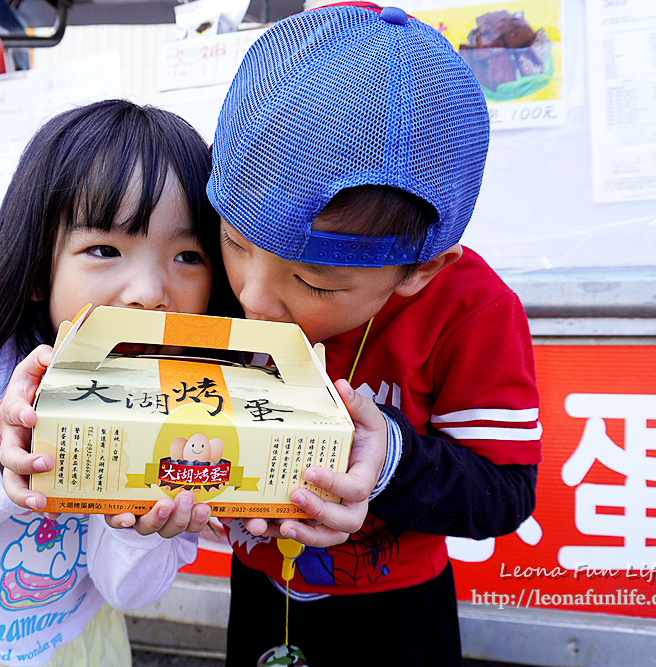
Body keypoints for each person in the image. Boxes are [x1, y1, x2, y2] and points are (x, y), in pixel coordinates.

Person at [205, 5, 542, 665]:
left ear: (419, 269)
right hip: (256, 582)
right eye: (236, 243)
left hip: (397, 613)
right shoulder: (220, 275)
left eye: (318, 284)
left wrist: (391, 456)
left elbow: (505, 491)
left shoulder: (472, 310)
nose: (254, 298)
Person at [0, 100, 238, 667]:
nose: (149, 292)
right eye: (105, 250)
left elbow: (127, 591)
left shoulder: (186, 407)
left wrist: (140, 529)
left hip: (73, 645)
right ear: (38, 268)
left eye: (188, 255)